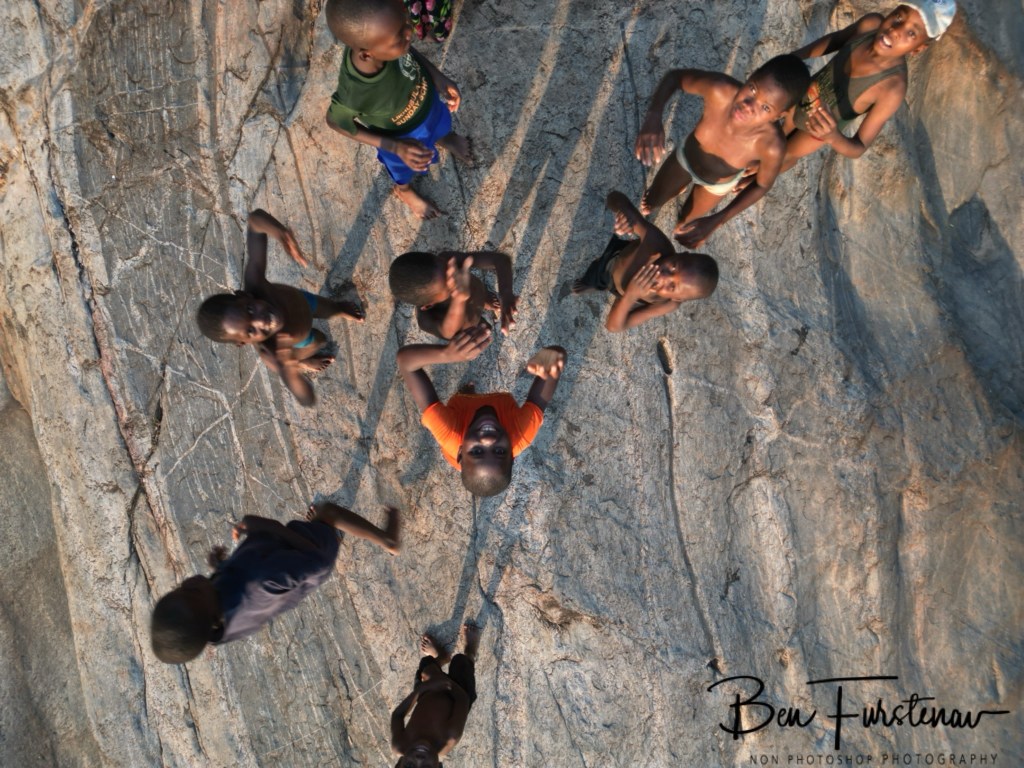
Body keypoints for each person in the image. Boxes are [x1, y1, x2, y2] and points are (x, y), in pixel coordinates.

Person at [150, 502, 400, 664]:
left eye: (181, 587)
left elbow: (213, 598)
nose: (190, 580)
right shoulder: (261, 581)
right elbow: (316, 560)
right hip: (309, 555)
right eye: (192, 590)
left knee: (312, 530)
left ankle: (322, 530)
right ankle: (386, 540)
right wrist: (266, 526)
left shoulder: (216, 628)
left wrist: (220, 567)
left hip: (281, 564)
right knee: (328, 513)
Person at [634, 55, 811, 248]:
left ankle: (682, 211)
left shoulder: (772, 145)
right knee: (652, 202)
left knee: (685, 224)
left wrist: (718, 219)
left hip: (718, 185)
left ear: (779, 116)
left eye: (765, 107)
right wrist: (654, 115)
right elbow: (675, 78)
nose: (749, 106)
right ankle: (674, 188)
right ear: (752, 75)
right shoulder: (719, 90)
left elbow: (762, 185)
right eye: (752, 89)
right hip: (686, 159)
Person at [196, 209, 364, 407]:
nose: (261, 320)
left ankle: (339, 309)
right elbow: (307, 398)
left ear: (244, 295)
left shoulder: (255, 283)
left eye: (250, 310)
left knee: (328, 307)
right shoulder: (273, 353)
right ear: (243, 343)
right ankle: (302, 364)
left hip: (302, 301)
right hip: (298, 342)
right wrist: (289, 370)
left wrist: (280, 232)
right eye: (250, 330)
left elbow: (255, 220)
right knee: (319, 340)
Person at [324, 0, 472, 219]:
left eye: (405, 24)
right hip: (403, 137)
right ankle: (404, 190)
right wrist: (395, 146)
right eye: (399, 35)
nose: (409, 33)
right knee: (404, 170)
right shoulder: (355, 92)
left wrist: (437, 77)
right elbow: (335, 122)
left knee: (441, 123)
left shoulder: (386, 41)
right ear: (366, 54)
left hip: (427, 102)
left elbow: (408, 51)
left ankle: (443, 137)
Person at [775, 1, 957, 172]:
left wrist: (832, 137)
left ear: (918, 49)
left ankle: (755, 182)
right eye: (899, 17)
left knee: (784, 156)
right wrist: (795, 57)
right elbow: (835, 40)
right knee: (776, 132)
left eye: (911, 34)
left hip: (818, 131)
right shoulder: (870, 25)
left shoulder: (892, 88)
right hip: (807, 93)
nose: (896, 30)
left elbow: (859, 147)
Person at [396, 325, 566, 497]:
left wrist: (446, 354)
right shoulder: (521, 433)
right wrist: (549, 358)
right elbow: (559, 355)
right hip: (488, 410)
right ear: (512, 453)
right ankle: (468, 395)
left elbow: (405, 362)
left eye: (477, 452)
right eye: (500, 451)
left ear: (460, 452)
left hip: (461, 408)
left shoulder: (449, 432)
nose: (488, 440)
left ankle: (466, 393)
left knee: (461, 398)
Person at [573, 191, 718, 333]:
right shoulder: (656, 244)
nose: (663, 276)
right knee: (595, 272)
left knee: (604, 286)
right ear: (681, 254)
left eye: (672, 286)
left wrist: (631, 295)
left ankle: (600, 285)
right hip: (614, 257)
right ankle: (595, 282)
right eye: (673, 267)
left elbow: (613, 327)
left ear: (677, 298)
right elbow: (614, 197)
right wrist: (624, 214)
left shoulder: (666, 304)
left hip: (625, 293)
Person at [391, 623, 480, 768]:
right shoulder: (450, 737)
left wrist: (423, 688)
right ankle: (470, 651)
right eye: (426, 767)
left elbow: (397, 716)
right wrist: (441, 680)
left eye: (410, 766)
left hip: (428, 693)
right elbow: (463, 698)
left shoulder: (400, 744)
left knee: (426, 666)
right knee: (461, 663)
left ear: (400, 762)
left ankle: (441, 657)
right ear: (438, 766)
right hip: (457, 697)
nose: (419, 759)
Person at [388, 250, 518, 340]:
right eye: (450, 287)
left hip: (478, 293)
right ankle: (480, 318)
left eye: (451, 271)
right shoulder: (427, 320)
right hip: (467, 321)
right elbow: (449, 332)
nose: (457, 279)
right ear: (428, 305)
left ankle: (485, 300)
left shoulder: (448, 260)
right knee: (482, 328)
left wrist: (505, 292)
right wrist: (459, 299)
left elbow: (500, 260)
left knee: (481, 294)